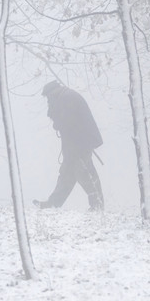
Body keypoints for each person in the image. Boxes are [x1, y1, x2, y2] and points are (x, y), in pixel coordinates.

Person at [33, 81, 104, 211]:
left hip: (80, 143)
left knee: (85, 171)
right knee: (67, 173)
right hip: (75, 143)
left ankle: (97, 204)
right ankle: (53, 203)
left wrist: (55, 119)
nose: (48, 100)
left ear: (52, 93)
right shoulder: (65, 97)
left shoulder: (67, 98)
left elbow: (67, 122)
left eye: (48, 97)